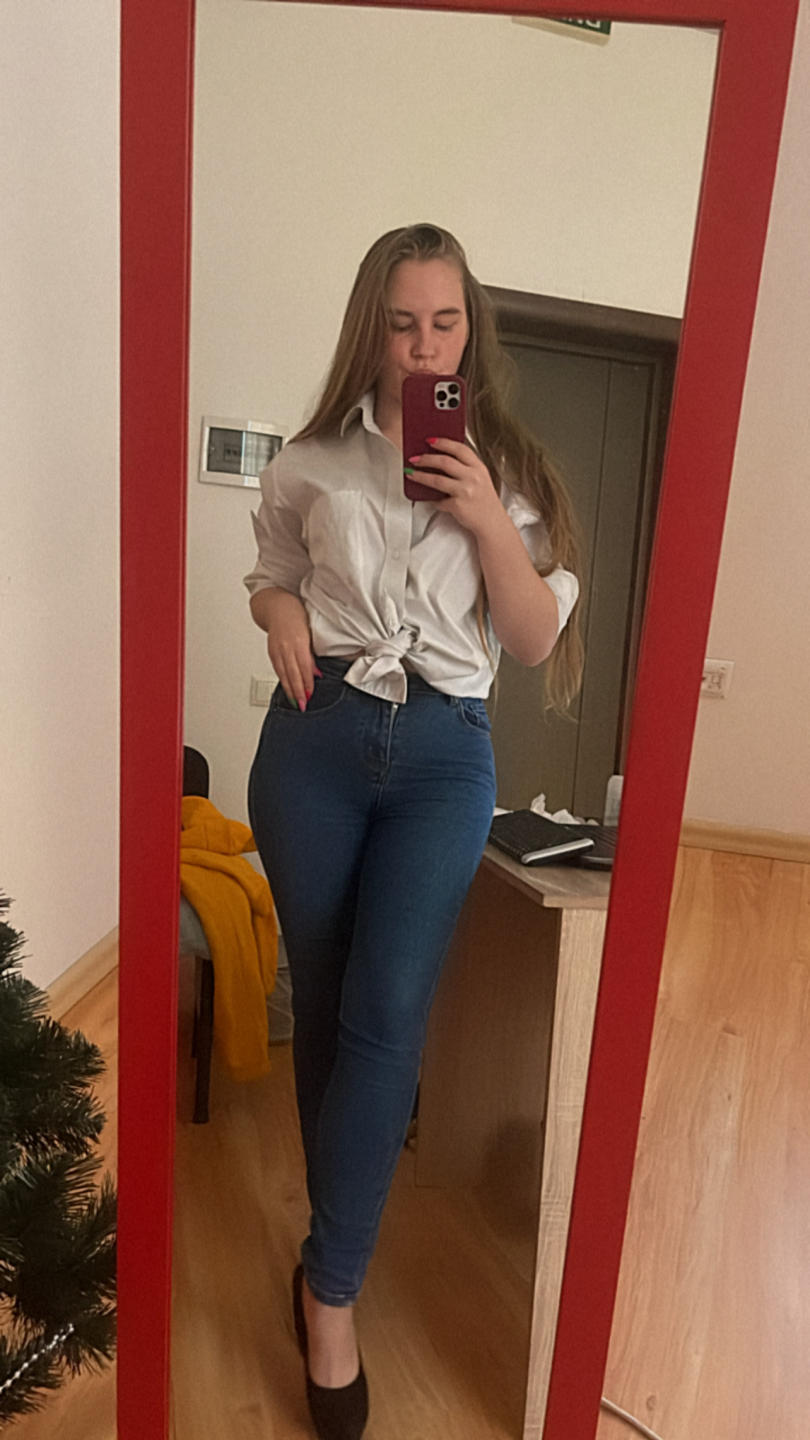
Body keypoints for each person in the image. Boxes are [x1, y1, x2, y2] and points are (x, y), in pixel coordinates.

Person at [244, 223, 582, 1440]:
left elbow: (532, 640)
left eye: (444, 323)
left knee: (389, 1014)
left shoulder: (517, 470)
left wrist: (487, 516)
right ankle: (331, 1257)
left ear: (470, 330)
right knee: (328, 1002)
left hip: (446, 753)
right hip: (317, 741)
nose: (423, 346)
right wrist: (280, 614)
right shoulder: (313, 459)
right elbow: (272, 573)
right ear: (370, 329)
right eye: (401, 324)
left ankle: (329, 1291)